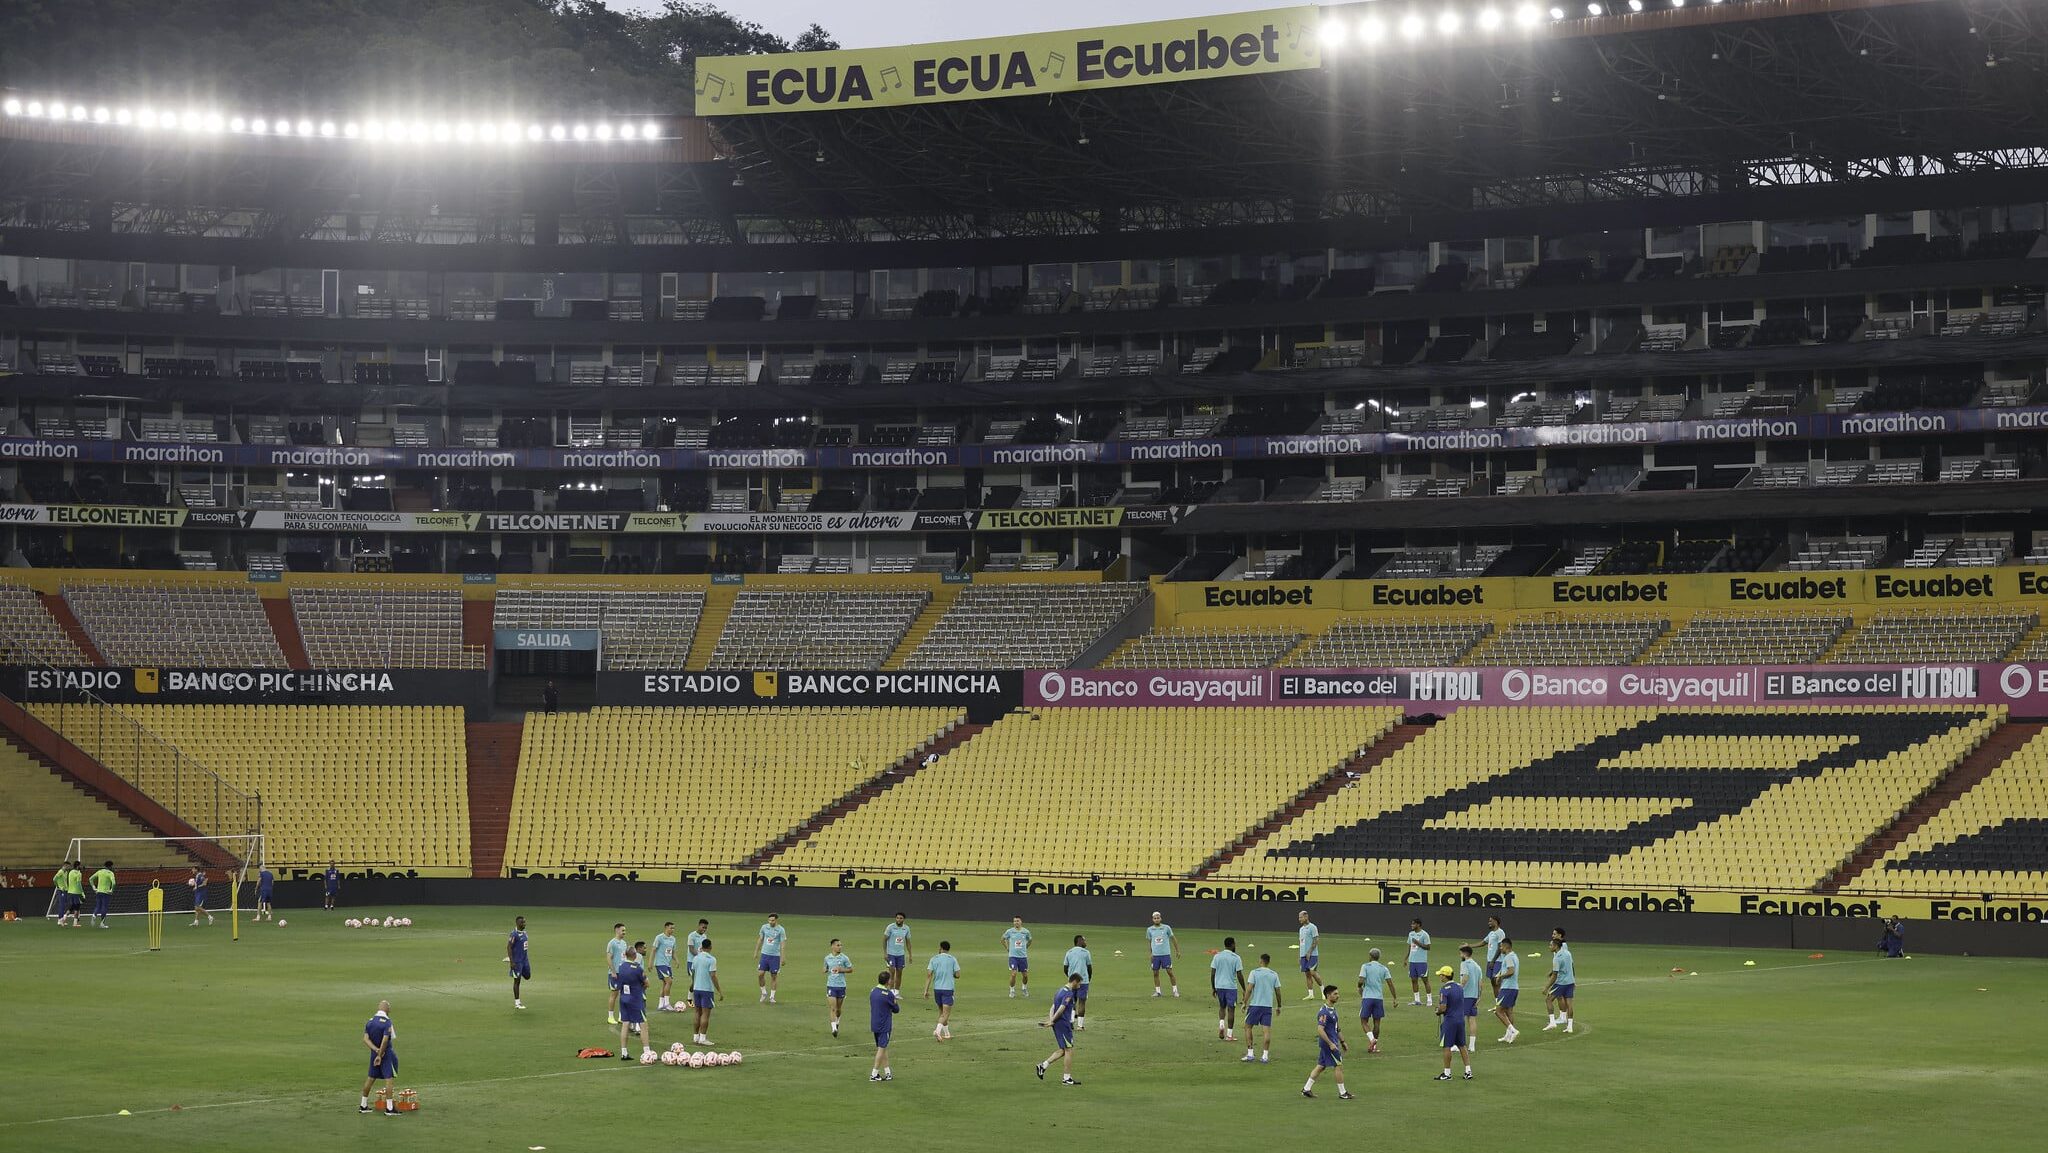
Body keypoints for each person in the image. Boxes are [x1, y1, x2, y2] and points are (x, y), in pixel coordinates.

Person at [1301, 985, 1351, 1099]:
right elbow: (1320, 1029)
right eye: (1335, 994)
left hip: (1332, 1042)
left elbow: (1337, 1028)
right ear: (1328, 995)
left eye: (1338, 994)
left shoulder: (1333, 1010)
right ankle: (1342, 1093)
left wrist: (1343, 1041)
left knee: (1321, 1066)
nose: (1338, 996)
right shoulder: (1324, 1012)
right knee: (1338, 1065)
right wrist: (1331, 1044)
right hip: (1329, 1044)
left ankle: (1306, 1089)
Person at [1034, 972, 1083, 1085]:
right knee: (1069, 1050)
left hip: (1058, 1023)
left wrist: (1051, 1020)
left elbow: (1052, 1007)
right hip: (1063, 1024)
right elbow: (1061, 1008)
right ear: (1074, 981)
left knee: (1063, 1050)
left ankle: (1043, 1066)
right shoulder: (1069, 994)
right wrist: (1053, 1021)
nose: (1079, 986)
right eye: (1079, 984)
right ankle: (1066, 1078)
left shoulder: (1059, 991)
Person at [360, 1000, 400, 1115]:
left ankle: (363, 1105)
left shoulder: (370, 1022)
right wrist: (380, 1053)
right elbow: (385, 1040)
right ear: (387, 1009)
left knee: (371, 1078)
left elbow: (365, 1039)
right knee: (389, 1079)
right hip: (385, 1054)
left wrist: (375, 1050)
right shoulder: (387, 1022)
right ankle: (389, 1108)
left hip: (374, 1053)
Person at [615, 946, 653, 1061]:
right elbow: (647, 983)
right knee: (643, 1025)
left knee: (626, 1024)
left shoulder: (620, 967)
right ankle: (647, 1052)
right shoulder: (638, 968)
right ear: (635, 956)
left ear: (625, 955)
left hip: (623, 998)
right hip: (635, 999)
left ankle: (624, 1052)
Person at [1434, 966, 1471, 1080]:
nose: (1440, 976)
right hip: (1460, 1020)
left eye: (1441, 975)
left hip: (1450, 1021)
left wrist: (1438, 1011)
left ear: (1445, 976)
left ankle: (1447, 1073)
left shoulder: (1444, 989)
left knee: (1446, 1046)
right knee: (1462, 1045)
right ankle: (1468, 1071)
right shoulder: (1459, 987)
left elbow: (1443, 1007)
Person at [1243, 953, 1282, 1063]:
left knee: (1247, 1027)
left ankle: (1250, 1053)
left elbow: (1249, 989)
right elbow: (1278, 991)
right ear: (1268, 962)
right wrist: (1279, 1005)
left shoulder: (1254, 972)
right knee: (1266, 1031)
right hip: (1267, 1007)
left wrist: (1244, 1002)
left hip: (1255, 1005)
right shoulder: (1274, 974)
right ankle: (1265, 1056)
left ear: (1260, 961)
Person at [1211, 935, 1247, 1042]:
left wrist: (1213, 987)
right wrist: (1244, 989)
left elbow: (1213, 973)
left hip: (1219, 986)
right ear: (1232, 945)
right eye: (1235, 943)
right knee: (1231, 1009)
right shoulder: (1236, 958)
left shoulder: (1217, 956)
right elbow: (1239, 974)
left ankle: (1221, 1024)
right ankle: (1229, 1035)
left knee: (1222, 1007)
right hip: (1231, 987)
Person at [1357, 947, 1392, 1053]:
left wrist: (1359, 986)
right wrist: (1395, 998)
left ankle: (1372, 1040)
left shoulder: (1365, 966)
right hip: (1379, 998)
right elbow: (1390, 983)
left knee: (1364, 1021)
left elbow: (1361, 979)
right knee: (1377, 1023)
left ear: (1370, 956)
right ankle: (1374, 1046)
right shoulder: (1384, 968)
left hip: (1367, 997)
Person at [688, 937, 722, 1045]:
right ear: (710, 947)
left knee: (697, 1012)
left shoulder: (696, 958)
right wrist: (719, 990)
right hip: (707, 990)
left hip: (697, 989)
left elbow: (693, 973)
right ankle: (703, 1038)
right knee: (705, 1014)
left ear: (701, 947)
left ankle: (695, 1037)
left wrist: (693, 984)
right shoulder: (711, 959)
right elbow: (713, 975)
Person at [924, 940, 961, 1040]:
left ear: (941, 948)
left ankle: (947, 1033)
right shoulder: (952, 959)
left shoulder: (934, 959)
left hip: (937, 989)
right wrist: (951, 974)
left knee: (941, 1013)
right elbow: (958, 974)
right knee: (946, 1014)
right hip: (947, 989)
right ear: (948, 949)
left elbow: (929, 975)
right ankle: (937, 1031)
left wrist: (926, 990)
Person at [868, 970, 900, 1082]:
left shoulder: (873, 991)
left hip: (875, 1023)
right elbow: (896, 1010)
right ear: (888, 981)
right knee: (881, 1049)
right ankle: (874, 1074)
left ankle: (888, 1073)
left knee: (883, 1047)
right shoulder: (889, 994)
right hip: (884, 1025)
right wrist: (895, 1001)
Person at [1543, 934, 1576, 1034]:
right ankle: (1569, 1027)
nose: (1549, 947)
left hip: (1561, 983)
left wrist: (1546, 987)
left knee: (1548, 999)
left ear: (1556, 946)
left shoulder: (1557, 958)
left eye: (1551, 945)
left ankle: (1552, 1022)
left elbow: (1554, 975)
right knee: (1569, 1004)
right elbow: (1571, 965)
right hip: (1570, 982)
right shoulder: (1568, 953)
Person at [1457, 945, 1485, 1057]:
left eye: (1460, 953)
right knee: (1472, 1019)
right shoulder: (1477, 966)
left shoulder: (1464, 964)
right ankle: (1472, 1045)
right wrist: (1479, 996)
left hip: (1465, 995)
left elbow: (1465, 977)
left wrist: (1459, 988)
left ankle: (1458, 1043)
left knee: (1460, 1019)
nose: (1460, 955)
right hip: (1474, 995)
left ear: (1464, 954)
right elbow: (1481, 982)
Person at [1145, 911, 1180, 998]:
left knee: (1169, 972)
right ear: (1153, 919)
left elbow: (1173, 939)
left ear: (1161, 918)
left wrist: (1177, 950)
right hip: (1156, 955)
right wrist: (1150, 954)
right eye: (1155, 918)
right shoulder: (1150, 929)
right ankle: (1158, 992)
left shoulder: (1166, 928)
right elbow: (1149, 942)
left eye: (1158, 918)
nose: (1156, 919)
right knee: (1155, 973)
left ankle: (1175, 991)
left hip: (1165, 954)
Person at [1062, 934, 1094, 1029]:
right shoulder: (1086, 953)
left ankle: (1071, 1021)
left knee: (1072, 1001)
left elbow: (1065, 968)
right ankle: (1080, 1026)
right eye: (1084, 940)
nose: (1085, 942)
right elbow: (1089, 968)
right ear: (1079, 941)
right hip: (1083, 981)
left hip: (1072, 981)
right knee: (1082, 1002)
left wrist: (1070, 977)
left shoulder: (1069, 952)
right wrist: (1089, 978)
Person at [1493, 938, 1521, 1043]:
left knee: (1498, 1010)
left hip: (1508, 988)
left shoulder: (1508, 957)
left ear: (1506, 946)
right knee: (1509, 1011)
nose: (1500, 949)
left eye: (1501, 946)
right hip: (1514, 987)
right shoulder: (1514, 956)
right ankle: (1509, 1035)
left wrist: (1500, 976)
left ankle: (1513, 1030)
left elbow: (1511, 971)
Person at [824, 939, 854, 1035]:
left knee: (838, 1009)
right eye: (838, 945)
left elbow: (851, 969)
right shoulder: (827, 958)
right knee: (832, 1007)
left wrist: (841, 970)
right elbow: (825, 968)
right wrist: (825, 969)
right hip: (831, 985)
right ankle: (834, 1029)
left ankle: (837, 1022)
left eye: (841, 945)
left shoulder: (844, 958)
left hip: (841, 986)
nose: (840, 947)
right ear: (832, 946)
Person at [757, 913, 786, 1004]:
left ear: (776, 920)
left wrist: (783, 957)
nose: (770, 922)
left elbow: (782, 944)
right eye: (769, 920)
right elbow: (760, 939)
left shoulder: (781, 930)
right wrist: (756, 951)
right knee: (760, 974)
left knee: (774, 976)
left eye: (772, 920)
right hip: (764, 955)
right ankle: (764, 992)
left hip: (775, 956)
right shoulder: (764, 927)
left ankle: (772, 997)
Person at [604, 923, 629, 1026]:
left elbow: (625, 957)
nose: (624, 932)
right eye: (623, 930)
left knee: (623, 995)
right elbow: (608, 958)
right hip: (615, 973)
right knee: (614, 994)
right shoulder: (612, 943)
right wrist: (613, 971)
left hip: (623, 972)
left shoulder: (624, 943)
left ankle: (621, 1016)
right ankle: (610, 1016)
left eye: (625, 931)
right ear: (617, 930)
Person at [1002, 916, 1032, 998]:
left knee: (1025, 975)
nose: (1016, 922)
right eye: (1014, 921)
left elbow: (1030, 940)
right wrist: (1007, 947)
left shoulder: (1025, 932)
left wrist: (1025, 947)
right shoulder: (1010, 931)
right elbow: (1003, 939)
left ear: (1021, 922)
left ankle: (1024, 988)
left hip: (1023, 957)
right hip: (1013, 956)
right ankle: (1012, 990)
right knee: (1013, 974)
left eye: (1017, 921)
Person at [1476, 914, 1506, 997]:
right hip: (1490, 961)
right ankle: (1497, 1003)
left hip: (1498, 961)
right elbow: (1483, 942)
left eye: (1490, 921)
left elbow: (1500, 947)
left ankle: (1501, 1004)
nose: (1488, 923)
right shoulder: (1491, 933)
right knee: (1493, 982)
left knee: (1497, 981)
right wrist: (1469, 946)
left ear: (1495, 922)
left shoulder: (1500, 932)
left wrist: (1493, 960)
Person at [507, 915, 532, 1009]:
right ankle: (517, 1003)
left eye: (524, 922)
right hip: (517, 962)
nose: (524, 924)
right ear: (517, 923)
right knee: (517, 981)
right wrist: (512, 961)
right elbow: (509, 947)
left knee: (528, 976)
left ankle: (518, 972)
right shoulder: (514, 934)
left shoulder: (525, 933)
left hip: (525, 960)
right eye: (522, 922)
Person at [1297, 909, 1323, 1000]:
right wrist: (1300, 955)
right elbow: (1301, 942)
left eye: (1301, 917)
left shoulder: (1312, 927)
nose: (1299, 919)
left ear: (1306, 917)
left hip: (1312, 954)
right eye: (1299, 917)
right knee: (1307, 974)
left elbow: (1316, 940)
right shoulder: (1301, 929)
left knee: (1313, 972)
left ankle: (1323, 991)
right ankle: (1310, 994)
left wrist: (1309, 952)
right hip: (1303, 955)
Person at [652, 922, 679, 1011]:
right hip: (660, 963)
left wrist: (676, 960)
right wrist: (650, 963)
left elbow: (672, 952)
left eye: (673, 928)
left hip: (667, 964)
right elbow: (653, 950)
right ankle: (667, 1003)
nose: (672, 930)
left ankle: (661, 1004)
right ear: (666, 927)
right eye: (671, 928)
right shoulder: (659, 937)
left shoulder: (673, 939)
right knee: (669, 981)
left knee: (664, 983)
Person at [1406, 917, 1432, 1005]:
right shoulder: (1411, 934)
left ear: (1418, 925)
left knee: (1425, 980)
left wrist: (1418, 943)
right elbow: (1410, 946)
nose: (1412, 925)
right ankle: (1417, 1000)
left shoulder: (1424, 934)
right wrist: (1406, 958)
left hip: (1421, 961)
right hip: (1412, 961)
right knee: (1413, 980)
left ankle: (1429, 1000)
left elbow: (1428, 947)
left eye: (1413, 924)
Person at [883, 913, 913, 989]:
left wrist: (910, 955)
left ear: (904, 919)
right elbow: (884, 939)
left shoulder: (906, 928)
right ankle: (891, 991)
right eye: (897, 918)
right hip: (891, 954)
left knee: (899, 973)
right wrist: (885, 953)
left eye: (901, 918)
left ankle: (896, 992)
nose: (899, 920)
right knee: (892, 972)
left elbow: (908, 942)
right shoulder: (890, 927)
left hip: (900, 954)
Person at [89, 860, 115, 929]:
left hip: (98, 892)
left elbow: (90, 879)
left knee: (98, 906)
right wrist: (111, 890)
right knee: (104, 907)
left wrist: (94, 888)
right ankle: (102, 923)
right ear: (110, 866)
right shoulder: (110, 873)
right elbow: (114, 883)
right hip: (106, 892)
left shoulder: (99, 871)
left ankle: (94, 915)